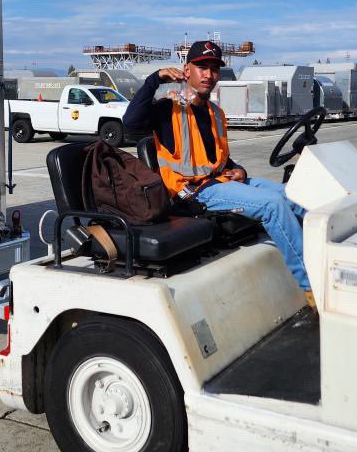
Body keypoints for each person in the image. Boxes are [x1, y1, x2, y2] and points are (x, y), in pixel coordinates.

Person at [123, 40, 315, 308]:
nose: (209, 75)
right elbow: (130, 123)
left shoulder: (214, 112)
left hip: (220, 181)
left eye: (214, 69)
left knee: (294, 195)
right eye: (202, 67)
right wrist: (154, 80)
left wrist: (240, 170)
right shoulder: (168, 108)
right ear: (186, 70)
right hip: (190, 192)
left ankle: (331, 253)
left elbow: (218, 157)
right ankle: (312, 286)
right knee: (273, 206)